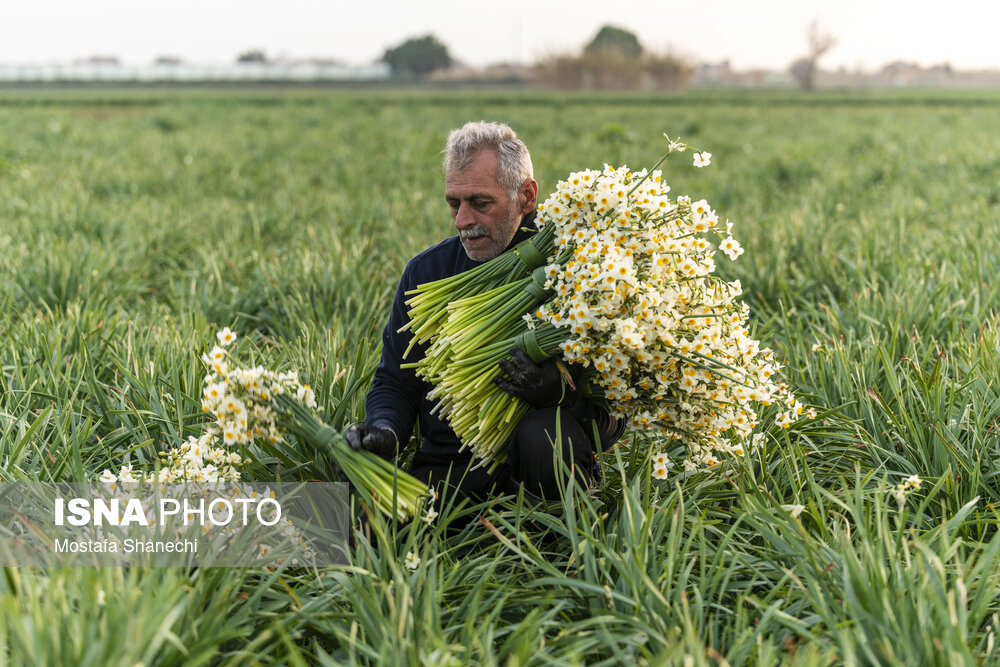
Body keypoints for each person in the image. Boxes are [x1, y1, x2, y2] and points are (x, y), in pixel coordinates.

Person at [346, 121, 624, 506]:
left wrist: (556, 394)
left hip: (538, 471)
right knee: (338, 523)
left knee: (546, 433)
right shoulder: (428, 273)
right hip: (449, 471)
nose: (462, 220)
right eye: (453, 203)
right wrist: (384, 429)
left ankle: (556, 546)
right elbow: (396, 382)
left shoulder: (584, 278)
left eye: (480, 203)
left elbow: (611, 426)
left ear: (526, 196)